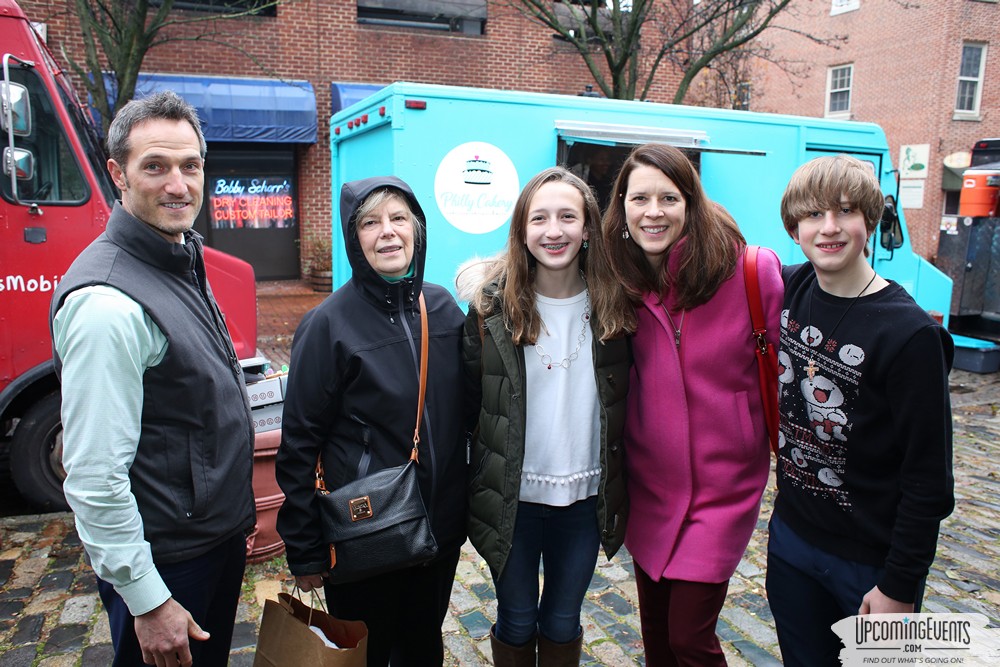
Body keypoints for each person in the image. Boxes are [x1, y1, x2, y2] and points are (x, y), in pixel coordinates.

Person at [50, 91, 255, 667]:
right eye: (155, 167)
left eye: (190, 166)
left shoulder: (177, 255)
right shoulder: (106, 304)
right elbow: (93, 477)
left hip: (206, 543)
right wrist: (147, 600)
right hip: (168, 565)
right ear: (118, 174)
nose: (178, 185)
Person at [766, 155, 955, 666]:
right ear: (794, 227)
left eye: (845, 211)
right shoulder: (789, 289)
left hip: (869, 563)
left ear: (869, 221)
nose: (828, 228)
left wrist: (899, 585)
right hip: (792, 543)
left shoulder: (910, 335)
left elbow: (929, 480)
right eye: (813, 214)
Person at [276, 176, 471, 667]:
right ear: (353, 237)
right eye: (371, 222)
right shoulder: (327, 326)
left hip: (437, 530)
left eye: (399, 218)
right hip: (365, 532)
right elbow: (299, 443)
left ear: (417, 229)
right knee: (366, 655)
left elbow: (472, 410)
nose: (388, 232)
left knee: (423, 643)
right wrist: (304, 549)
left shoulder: (444, 308)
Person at [601, 143, 783, 666]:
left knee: (688, 637)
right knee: (656, 634)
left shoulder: (749, 271)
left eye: (668, 198)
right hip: (650, 488)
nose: (653, 212)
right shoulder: (619, 278)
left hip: (722, 491)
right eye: (639, 199)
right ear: (622, 207)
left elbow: (792, 364)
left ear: (691, 203)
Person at [457, 166, 634, 666]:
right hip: (512, 496)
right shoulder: (492, 308)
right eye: (539, 218)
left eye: (567, 217)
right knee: (515, 616)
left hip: (583, 496)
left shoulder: (616, 306)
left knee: (562, 618)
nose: (553, 230)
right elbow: (471, 404)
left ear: (587, 228)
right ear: (522, 229)